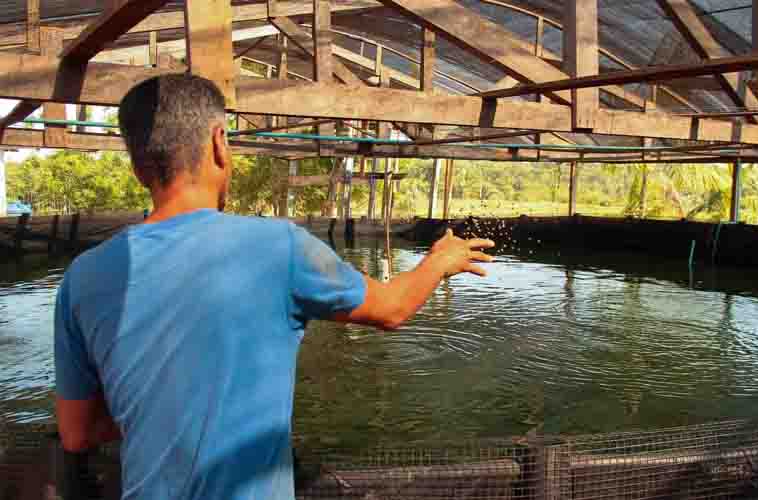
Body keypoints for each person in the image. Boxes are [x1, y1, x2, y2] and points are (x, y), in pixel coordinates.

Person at [53, 74, 494, 500]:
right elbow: (393, 308)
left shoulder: (82, 278)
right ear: (219, 144)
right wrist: (439, 262)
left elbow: (78, 433)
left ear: (136, 168)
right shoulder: (278, 247)